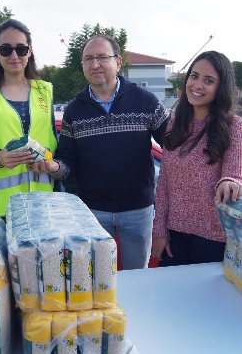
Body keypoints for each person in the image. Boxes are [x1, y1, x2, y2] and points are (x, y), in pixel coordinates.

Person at [30, 34, 170, 270]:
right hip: (93, 212)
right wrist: (54, 167)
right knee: (97, 281)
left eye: (102, 57)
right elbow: (68, 162)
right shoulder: (75, 110)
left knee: (137, 278)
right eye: (88, 59)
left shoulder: (146, 101)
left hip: (138, 212)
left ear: (118, 62)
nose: (95, 64)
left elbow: (174, 146)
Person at [151, 50, 242, 267]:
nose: (197, 85)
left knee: (205, 299)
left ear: (220, 87)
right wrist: (159, 230)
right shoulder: (174, 124)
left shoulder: (233, 126)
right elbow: (164, 181)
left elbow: (235, 175)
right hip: (174, 234)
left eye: (209, 80)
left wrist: (230, 181)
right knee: (171, 296)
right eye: (194, 76)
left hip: (212, 236)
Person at [0, 18, 58, 219]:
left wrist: (49, 161)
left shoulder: (46, 90)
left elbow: (54, 142)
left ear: (30, 51)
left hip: (42, 207)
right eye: (6, 49)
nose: (14, 55)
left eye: (21, 49)